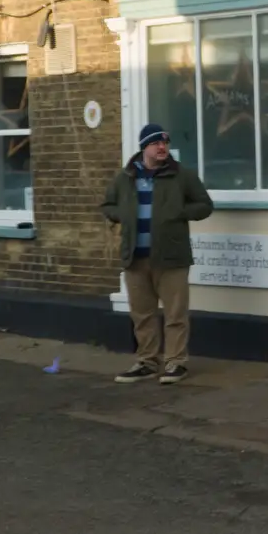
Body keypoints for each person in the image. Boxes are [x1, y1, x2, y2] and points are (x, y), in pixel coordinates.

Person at [101, 123, 214, 385]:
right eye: (156, 143)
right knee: (142, 314)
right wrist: (125, 217)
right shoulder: (125, 177)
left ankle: (176, 363)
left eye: (165, 142)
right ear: (144, 148)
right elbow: (108, 205)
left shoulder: (181, 176)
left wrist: (179, 213)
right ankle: (147, 362)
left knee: (175, 314)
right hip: (135, 257)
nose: (162, 147)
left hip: (171, 256)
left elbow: (205, 205)